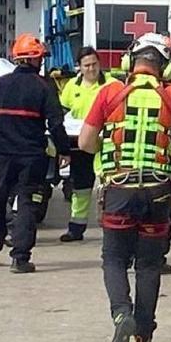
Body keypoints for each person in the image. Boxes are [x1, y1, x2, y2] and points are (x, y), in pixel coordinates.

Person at [79, 33, 171, 342]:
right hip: (159, 193)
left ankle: (121, 315)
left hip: (119, 190)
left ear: (130, 62)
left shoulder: (109, 92)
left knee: (114, 260)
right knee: (149, 266)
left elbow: (86, 143)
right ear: (167, 66)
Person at [0, 34, 69, 272]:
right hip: (32, 156)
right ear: (36, 59)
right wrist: (64, 150)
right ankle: (20, 257)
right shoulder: (44, 87)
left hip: (2, 154)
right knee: (27, 202)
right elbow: (56, 124)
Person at [57, 47, 119, 242]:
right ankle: (76, 226)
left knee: (110, 185)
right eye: (87, 65)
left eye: (94, 64)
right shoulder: (71, 87)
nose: (91, 69)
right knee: (81, 186)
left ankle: (114, 227)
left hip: (106, 143)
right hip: (80, 143)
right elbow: (62, 113)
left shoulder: (113, 85)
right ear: (79, 67)